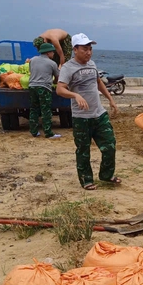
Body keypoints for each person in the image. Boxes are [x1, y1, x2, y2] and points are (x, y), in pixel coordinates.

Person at [56, 33, 120, 190]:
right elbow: (60, 89)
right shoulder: (68, 68)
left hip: (99, 114)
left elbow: (98, 82)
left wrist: (110, 99)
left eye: (90, 49)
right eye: (85, 49)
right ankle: (86, 180)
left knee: (110, 145)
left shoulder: (92, 64)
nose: (89, 52)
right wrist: (75, 95)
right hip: (81, 117)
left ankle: (106, 174)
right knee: (83, 151)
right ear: (75, 49)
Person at [28, 42, 60, 139]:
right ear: (48, 53)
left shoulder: (32, 60)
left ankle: (34, 131)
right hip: (44, 88)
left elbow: (31, 71)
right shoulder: (52, 63)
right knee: (45, 110)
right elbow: (57, 77)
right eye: (52, 52)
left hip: (32, 87)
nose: (53, 54)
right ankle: (48, 133)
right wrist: (54, 82)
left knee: (34, 109)